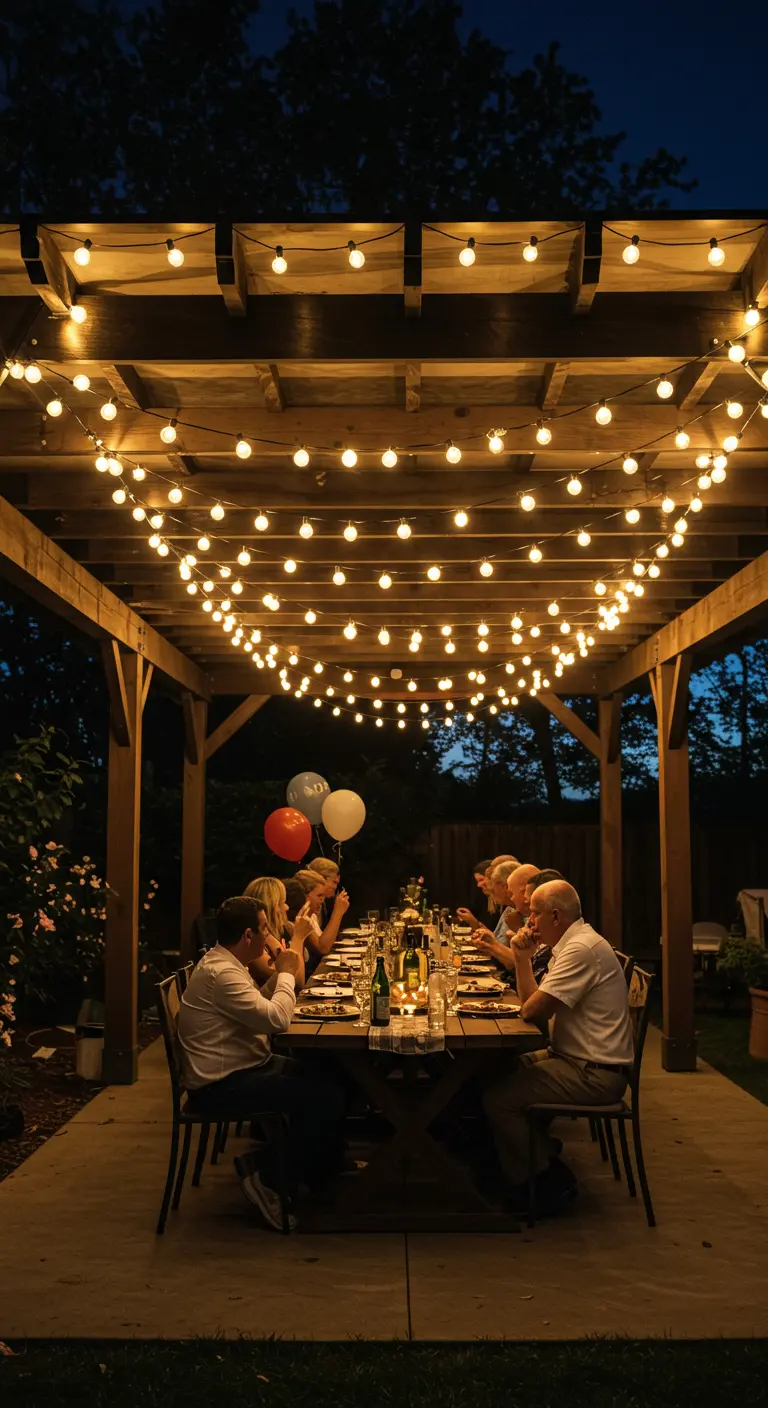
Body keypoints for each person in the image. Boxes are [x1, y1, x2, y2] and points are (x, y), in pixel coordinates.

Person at [178, 895, 344, 1231]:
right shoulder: (221, 973)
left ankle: (320, 1172)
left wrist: (275, 979)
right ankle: (267, 1177)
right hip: (220, 1085)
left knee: (331, 1072)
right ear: (247, 936)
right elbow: (278, 1019)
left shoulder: (225, 964)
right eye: (264, 928)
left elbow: (259, 1005)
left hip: (244, 1068)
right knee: (323, 1094)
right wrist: (284, 972)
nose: (270, 935)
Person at [482, 880, 633, 1216]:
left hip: (594, 1073)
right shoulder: (572, 944)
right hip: (576, 1059)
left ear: (554, 915)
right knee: (494, 1071)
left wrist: (523, 960)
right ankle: (519, 1165)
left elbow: (532, 1011)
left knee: (498, 1099)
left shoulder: (580, 950)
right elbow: (532, 1004)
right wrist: (522, 957)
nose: (528, 920)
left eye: (534, 913)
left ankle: (545, 1182)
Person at [243, 876, 309, 989]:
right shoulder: (253, 942)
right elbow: (297, 983)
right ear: (271, 908)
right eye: (282, 903)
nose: (287, 907)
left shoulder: (280, 931)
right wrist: (298, 937)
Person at [292, 868, 350, 963]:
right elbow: (322, 948)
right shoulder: (301, 919)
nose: (322, 900)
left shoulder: (313, 916)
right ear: (305, 895)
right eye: (319, 896)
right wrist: (337, 912)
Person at [460, 860, 520, 940]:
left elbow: (500, 945)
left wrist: (475, 924)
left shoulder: (515, 911)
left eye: (482, 880)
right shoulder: (509, 909)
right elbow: (497, 940)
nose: (479, 885)